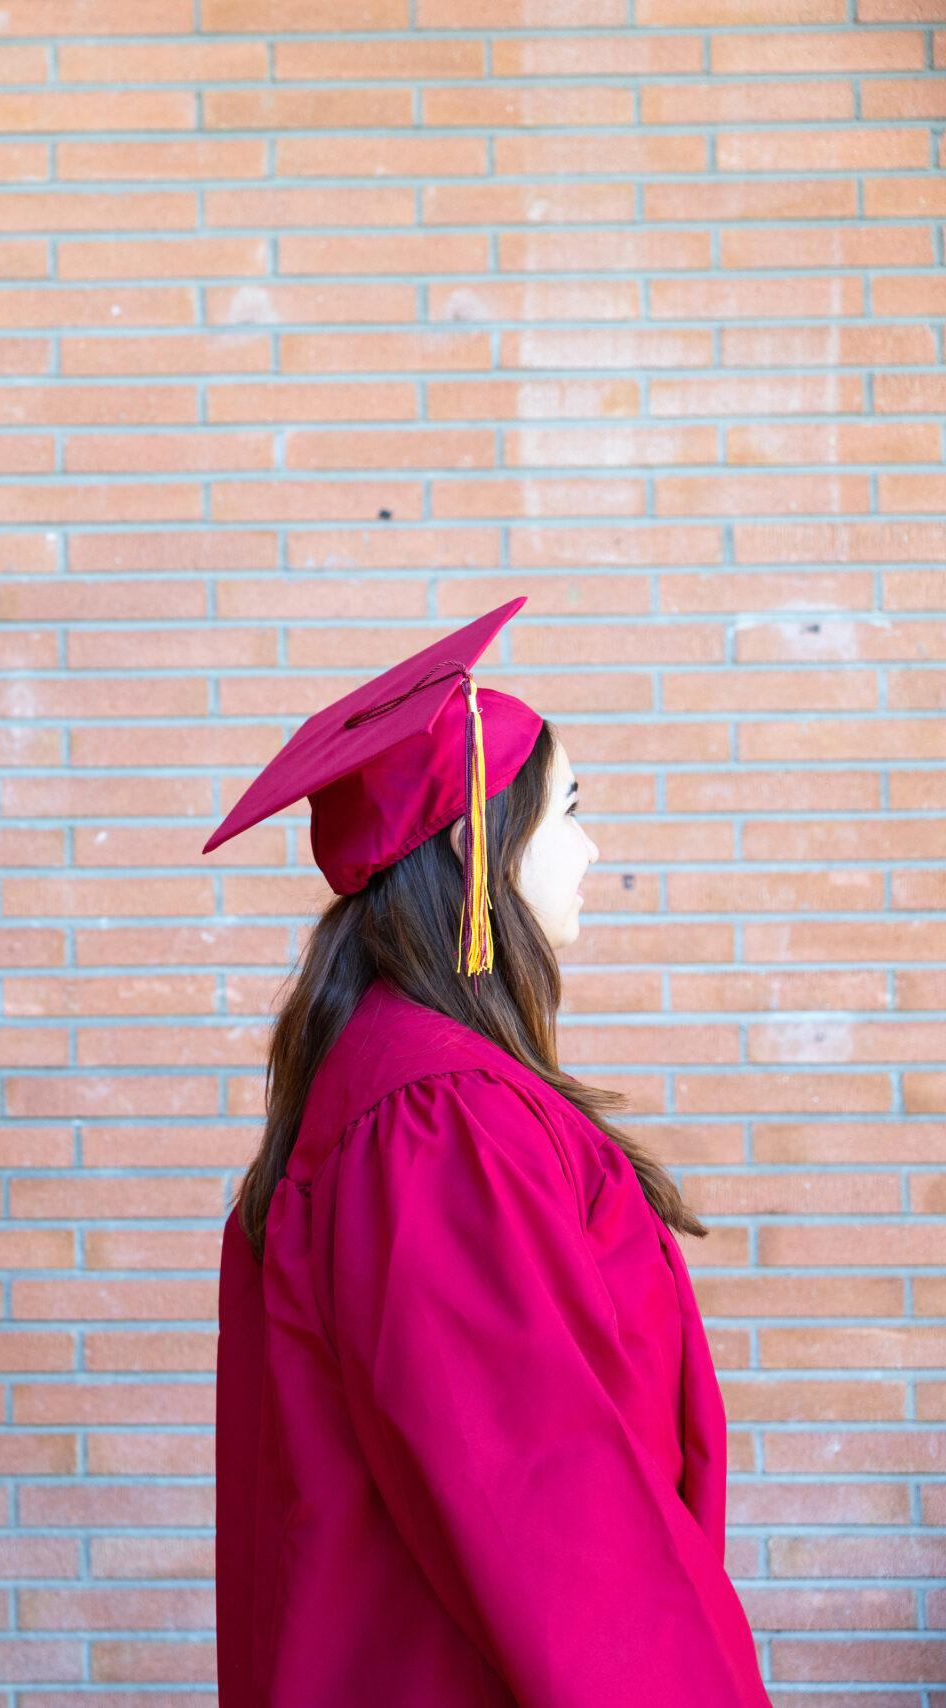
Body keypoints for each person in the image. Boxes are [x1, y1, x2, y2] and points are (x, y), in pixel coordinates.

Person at [203, 598, 770, 1706]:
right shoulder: (435, 1118)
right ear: (478, 842)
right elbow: (538, 1490)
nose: (592, 846)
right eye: (569, 809)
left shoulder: (401, 1087)